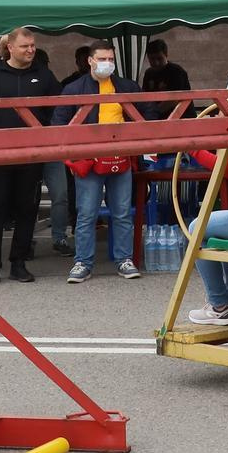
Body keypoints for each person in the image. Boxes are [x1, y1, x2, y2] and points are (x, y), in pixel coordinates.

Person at [0, 27, 57, 285]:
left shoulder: (44, 75)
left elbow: (60, 109)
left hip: (31, 158)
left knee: (27, 209)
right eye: (25, 46)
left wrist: (48, 140)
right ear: (10, 47)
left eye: (32, 45)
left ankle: (19, 263)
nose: (30, 50)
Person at [58, 46, 144, 283]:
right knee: (86, 214)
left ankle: (124, 259)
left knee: (122, 213)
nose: (107, 62)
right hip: (89, 161)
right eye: (102, 59)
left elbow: (146, 116)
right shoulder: (73, 89)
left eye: (111, 59)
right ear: (90, 61)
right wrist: (75, 154)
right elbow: (60, 123)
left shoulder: (127, 86)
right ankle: (82, 262)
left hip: (121, 158)